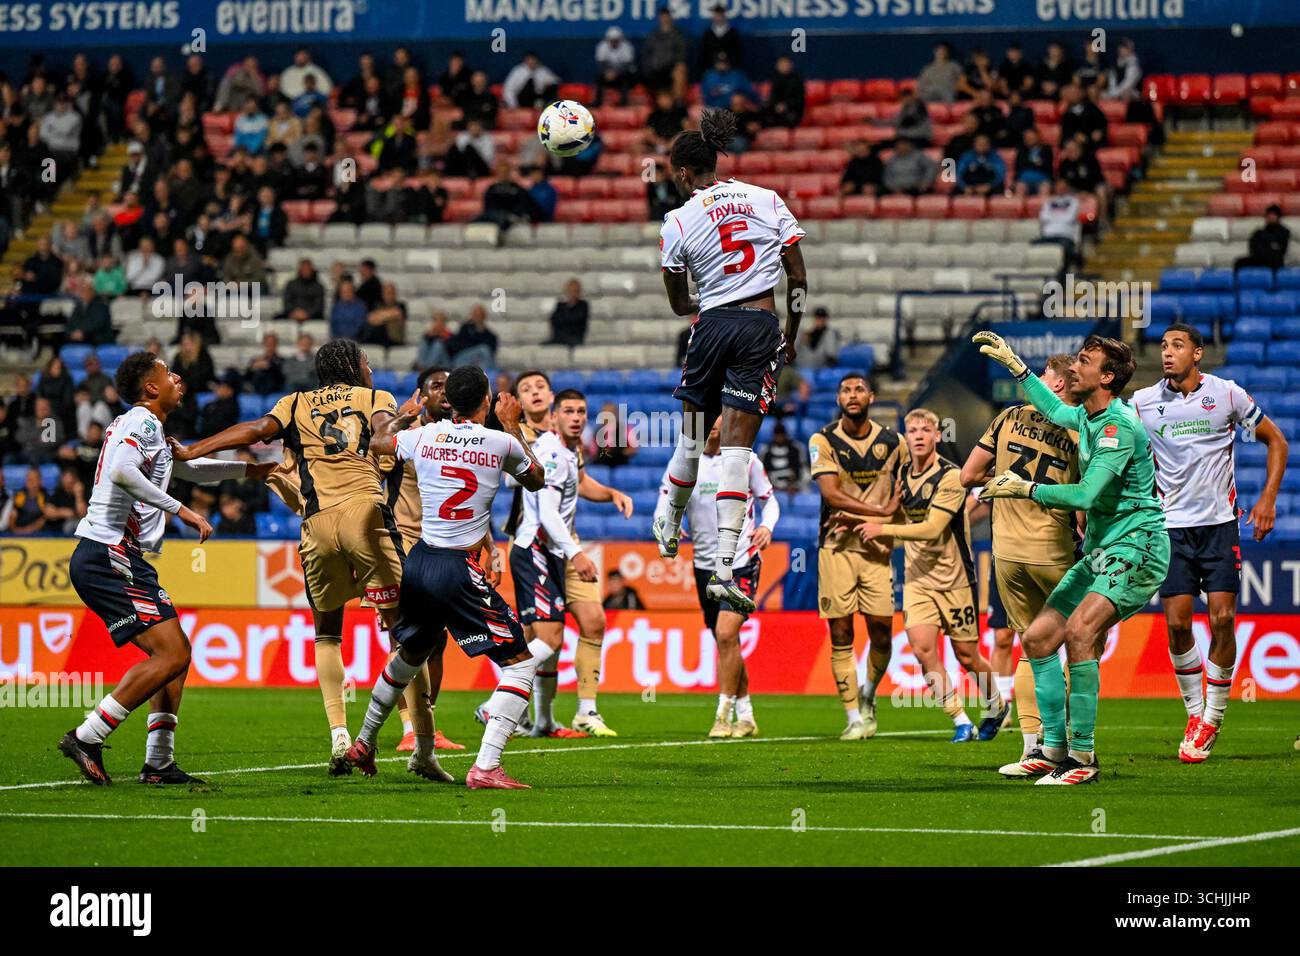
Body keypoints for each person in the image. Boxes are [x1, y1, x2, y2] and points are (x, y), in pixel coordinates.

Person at [170, 340, 442, 779]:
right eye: (366, 362)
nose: (370, 370)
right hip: (365, 517)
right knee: (407, 634)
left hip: (316, 524)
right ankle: (422, 748)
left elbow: (257, 431)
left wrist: (191, 450)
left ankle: (338, 735)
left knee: (327, 634)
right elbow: (383, 436)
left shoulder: (293, 403)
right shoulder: (376, 398)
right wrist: (405, 417)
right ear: (354, 366)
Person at [57, 351, 271, 786]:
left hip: (116, 555)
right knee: (173, 653)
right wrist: (185, 513)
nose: (177, 377)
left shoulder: (147, 427)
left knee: (175, 655)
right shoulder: (142, 422)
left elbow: (190, 469)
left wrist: (252, 472)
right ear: (151, 388)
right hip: (107, 553)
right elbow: (120, 471)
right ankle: (87, 736)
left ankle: (158, 763)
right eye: (166, 372)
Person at [976, 331, 1169, 785]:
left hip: (1137, 547)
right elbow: (1054, 408)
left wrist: (1026, 488)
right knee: (1040, 637)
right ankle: (1052, 750)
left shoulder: (1117, 427)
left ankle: (1082, 760)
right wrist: (1018, 367)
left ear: (1105, 377)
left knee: (1080, 632)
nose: (1072, 368)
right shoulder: (1086, 415)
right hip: (1103, 550)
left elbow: (1084, 493)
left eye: (1083, 361)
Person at [343, 366, 548, 789]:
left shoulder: (423, 434)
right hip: (458, 567)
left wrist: (402, 415)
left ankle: (363, 741)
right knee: (521, 666)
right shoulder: (502, 441)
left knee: (410, 655)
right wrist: (513, 426)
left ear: (449, 400)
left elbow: (378, 442)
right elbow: (536, 479)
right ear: (487, 401)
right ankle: (486, 767)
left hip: (420, 561)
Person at [654, 108, 807, 616]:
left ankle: (667, 521)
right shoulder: (767, 198)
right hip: (761, 325)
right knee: (738, 453)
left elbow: (679, 304)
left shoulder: (677, 221)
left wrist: (705, 305)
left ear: (681, 173)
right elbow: (799, 279)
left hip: (713, 326)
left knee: (694, 440)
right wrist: (789, 336)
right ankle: (723, 567)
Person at [1134, 324, 1289, 763]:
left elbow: (1276, 440)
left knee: (1222, 619)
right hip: (1170, 530)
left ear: (1198, 354)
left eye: (1177, 346)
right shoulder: (1143, 403)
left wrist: (1267, 500)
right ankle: (1195, 712)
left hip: (1221, 526)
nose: (1167, 353)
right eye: (1163, 346)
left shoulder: (1227, 394)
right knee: (1179, 625)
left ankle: (1214, 718)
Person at [960, 354, 1082, 770]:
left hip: (1006, 553)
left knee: (1031, 649)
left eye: (1045, 375)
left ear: (1056, 383)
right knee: (1075, 645)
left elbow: (967, 477)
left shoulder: (1008, 417)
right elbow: (1087, 500)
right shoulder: (1081, 426)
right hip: (1053, 549)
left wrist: (1004, 474)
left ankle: (1033, 749)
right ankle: (1070, 745)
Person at [858, 409, 1008, 742]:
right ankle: (960, 720)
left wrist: (882, 530)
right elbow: (897, 511)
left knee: (967, 656)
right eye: (913, 430)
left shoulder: (952, 478)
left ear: (938, 436)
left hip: (955, 581)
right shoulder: (901, 474)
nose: (920, 435)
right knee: (924, 650)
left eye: (927, 430)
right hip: (917, 580)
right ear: (906, 437)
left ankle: (996, 705)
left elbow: (932, 529)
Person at [498, 373, 634, 737]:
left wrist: (611, 493)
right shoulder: (518, 439)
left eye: (540, 386)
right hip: (533, 541)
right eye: (526, 389)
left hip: (565, 542)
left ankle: (584, 711)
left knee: (593, 622)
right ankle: (519, 712)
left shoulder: (566, 442)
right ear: (520, 402)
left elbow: (580, 481)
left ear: (551, 396)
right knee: (542, 634)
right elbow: (517, 482)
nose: (535, 392)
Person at [656, 418, 778, 737]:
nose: (713, 425)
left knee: (726, 635)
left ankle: (723, 716)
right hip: (703, 566)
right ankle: (747, 715)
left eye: (719, 419)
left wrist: (767, 526)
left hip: (741, 561)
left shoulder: (745, 459)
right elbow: (665, 501)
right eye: (708, 418)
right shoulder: (684, 459)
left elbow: (770, 500)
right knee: (726, 643)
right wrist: (667, 527)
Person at [809, 374, 905, 739]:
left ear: (872, 397)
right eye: (846, 390)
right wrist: (880, 512)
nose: (852, 395)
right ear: (838, 398)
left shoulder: (894, 442)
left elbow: (910, 484)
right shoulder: (823, 439)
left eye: (859, 389)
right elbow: (831, 494)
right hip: (836, 546)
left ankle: (869, 694)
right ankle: (852, 717)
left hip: (878, 549)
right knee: (841, 630)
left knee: (882, 633)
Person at [641, 6, 688, 98]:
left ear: (671, 17)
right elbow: (646, 55)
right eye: (662, 16)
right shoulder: (653, 35)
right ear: (659, 18)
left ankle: (678, 103)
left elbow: (681, 55)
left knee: (680, 69)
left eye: (667, 16)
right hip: (655, 70)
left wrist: (674, 65)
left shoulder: (677, 35)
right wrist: (649, 68)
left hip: (670, 69)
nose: (665, 18)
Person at [1234, 204, 1290, 272]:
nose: (1271, 217)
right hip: (1259, 258)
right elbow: (1252, 247)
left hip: (1274, 261)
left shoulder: (1284, 232)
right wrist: (1269, 247)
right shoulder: (1259, 232)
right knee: (1239, 262)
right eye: (1269, 215)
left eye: (1273, 215)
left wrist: (1266, 248)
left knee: (1275, 260)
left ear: (1278, 217)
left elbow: (1281, 250)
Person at [595, 25, 637, 106]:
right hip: (607, 74)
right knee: (598, 77)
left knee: (626, 78)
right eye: (612, 40)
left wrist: (615, 73)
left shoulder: (627, 47)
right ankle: (598, 102)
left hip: (621, 74)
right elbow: (601, 64)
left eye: (616, 40)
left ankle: (624, 102)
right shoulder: (602, 46)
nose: (614, 42)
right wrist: (606, 72)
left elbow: (627, 65)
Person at [760, 421, 806, 491]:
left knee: (806, 489)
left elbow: (803, 469)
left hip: (793, 488)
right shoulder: (766, 450)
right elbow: (761, 472)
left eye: (781, 435)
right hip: (771, 487)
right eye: (777, 435)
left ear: (785, 435)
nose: (779, 438)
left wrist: (795, 485)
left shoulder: (796, 448)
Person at [697, 4, 742, 74]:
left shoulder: (733, 33)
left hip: (730, 69)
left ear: (725, 16)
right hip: (711, 69)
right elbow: (703, 55)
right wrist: (715, 64)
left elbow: (737, 54)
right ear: (713, 17)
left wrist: (727, 64)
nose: (718, 18)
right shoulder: (708, 34)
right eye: (716, 15)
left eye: (720, 15)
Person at [764, 55, 805, 128]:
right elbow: (773, 97)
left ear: (791, 65)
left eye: (786, 64)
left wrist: (786, 106)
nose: (783, 66)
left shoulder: (797, 80)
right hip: (776, 109)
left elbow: (799, 100)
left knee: (789, 117)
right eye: (781, 64)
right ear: (777, 66)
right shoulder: (775, 80)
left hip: (792, 110)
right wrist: (776, 105)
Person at [548, 277, 589, 346]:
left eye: (575, 291)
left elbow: (575, 319)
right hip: (559, 338)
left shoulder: (583, 305)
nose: (572, 293)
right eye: (570, 290)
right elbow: (554, 320)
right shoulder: (560, 305)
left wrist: (565, 319)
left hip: (575, 339)